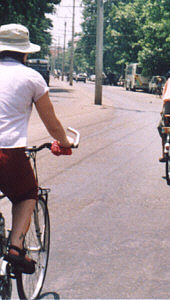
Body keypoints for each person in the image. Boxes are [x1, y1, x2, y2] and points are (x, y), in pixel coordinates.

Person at [0, 24, 73, 274]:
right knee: (26, 194)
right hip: (8, 153)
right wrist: (64, 142)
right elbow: (51, 123)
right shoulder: (32, 77)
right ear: (25, 53)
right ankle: (15, 248)